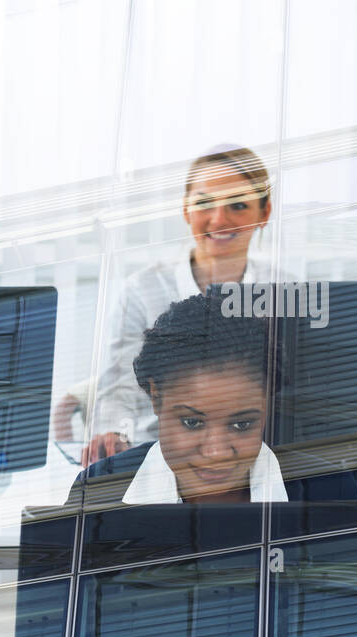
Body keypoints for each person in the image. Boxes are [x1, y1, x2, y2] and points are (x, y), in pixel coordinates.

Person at [80, 145, 284, 467]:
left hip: (254, 456)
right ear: (186, 210)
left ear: (265, 213)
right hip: (160, 457)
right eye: (204, 204)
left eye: (239, 205)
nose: (219, 219)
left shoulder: (283, 290)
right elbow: (119, 384)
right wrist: (115, 432)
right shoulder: (143, 288)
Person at [78, 293, 286, 504]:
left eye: (242, 424)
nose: (216, 453)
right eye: (192, 423)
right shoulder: (97, 490)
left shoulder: (315, 487)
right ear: (156, 398)